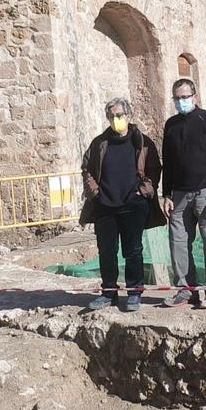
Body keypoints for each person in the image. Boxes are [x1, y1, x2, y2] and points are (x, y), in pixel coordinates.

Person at [79, 98, 162, 313]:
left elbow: (154, 169)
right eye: (112, 116)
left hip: (133, 205)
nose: (116, 120)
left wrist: (142, 192)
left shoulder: (143, 142)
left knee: (133, 250)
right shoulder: (99, 143)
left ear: (129, 115)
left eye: (119, 115)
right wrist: (95, 193)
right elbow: (86, 168)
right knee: (106, 251)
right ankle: (109, 293)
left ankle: (135, 293)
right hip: (105, 206)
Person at [161, 77, 206, 308]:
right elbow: (168, 162)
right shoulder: (170, 125)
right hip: (179, 195)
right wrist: (166, 194)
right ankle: (185, 289)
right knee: (178, 242)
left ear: (194, 96)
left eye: (185, 97)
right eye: (177, 98)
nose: (181, 101)